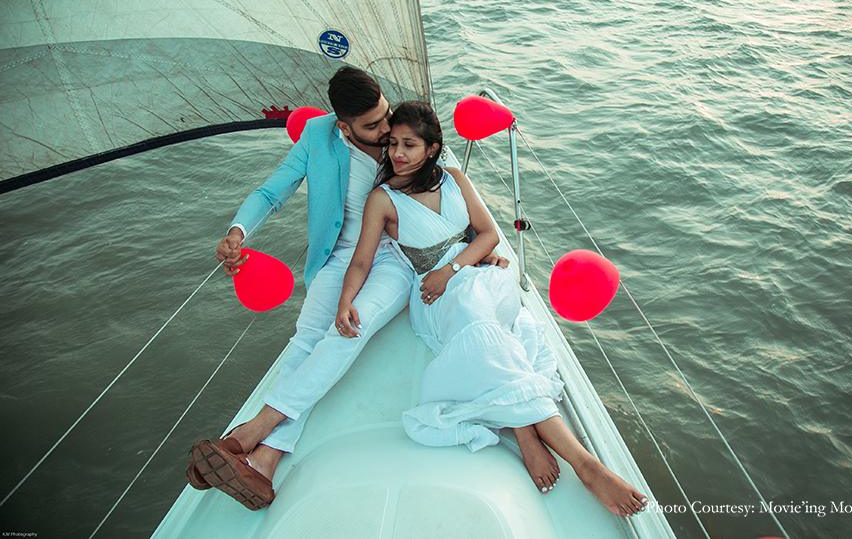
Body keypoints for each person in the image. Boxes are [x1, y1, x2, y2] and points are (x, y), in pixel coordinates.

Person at [185, 67, 507, 510]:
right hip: (341, 257)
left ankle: (251, 433)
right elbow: (272, 192)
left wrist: (479, 250)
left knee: (350, 329)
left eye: (386, 114)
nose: (386, 130)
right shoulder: (317, 137)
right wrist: (237, 233)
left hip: (396, 258)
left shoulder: (404, 134)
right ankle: (264, 462)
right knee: (305, 341)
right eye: (373, 126)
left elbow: (444, 193)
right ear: (344, 126)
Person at [335, 102, 648, 517]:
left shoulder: (455, 179)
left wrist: (452, 269)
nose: (397, 153)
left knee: (480, 317)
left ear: (432, 148)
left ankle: (534, 436)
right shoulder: (383, 198)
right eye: (392, 143)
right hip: (434, 297)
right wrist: (346, 301)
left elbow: (487, 236)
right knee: (478, 324)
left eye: (409, 144)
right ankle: (579, 460)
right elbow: (361, 261)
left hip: (478, 275)